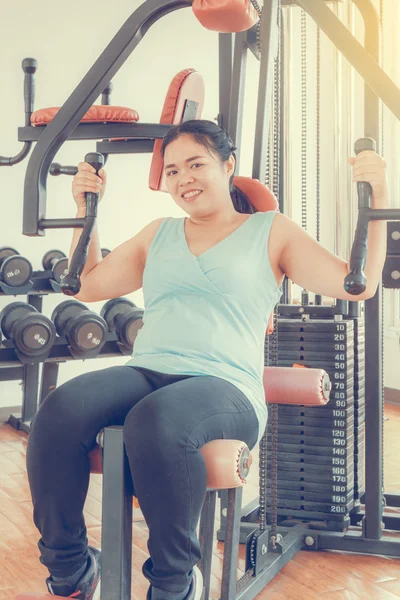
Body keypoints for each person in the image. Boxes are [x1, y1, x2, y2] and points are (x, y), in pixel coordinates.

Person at [26, 119, 388, 600]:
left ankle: (175, 581)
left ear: (228, 165)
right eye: (173, 171)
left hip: (225, 385)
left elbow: (356, 284)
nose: (184, 179)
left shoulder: (270, 231)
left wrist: (380, 192)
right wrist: (84, 211)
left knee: (155, 421)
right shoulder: (160, 233)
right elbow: (88, 283)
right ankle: (70, 567)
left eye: (196, 164)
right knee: (58, 410)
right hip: (149, 368)